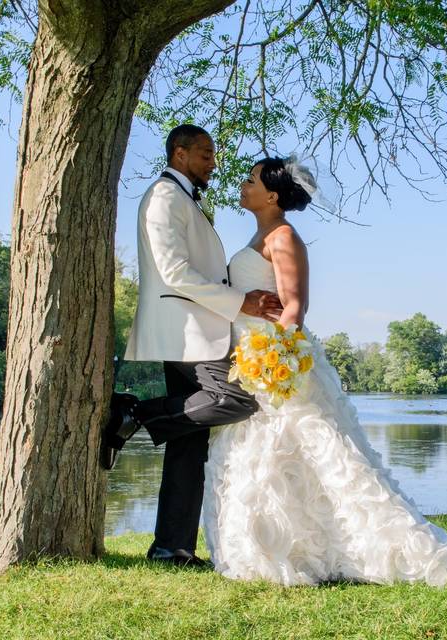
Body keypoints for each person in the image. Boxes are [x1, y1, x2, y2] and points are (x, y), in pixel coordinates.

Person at [201, 156, 447, 585]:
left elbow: (295, 306)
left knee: (306, 457)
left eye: (250, 181)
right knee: (266, 458)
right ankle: (280, 546)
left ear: (272, 195)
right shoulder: (260, 233)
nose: (243, 186)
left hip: (276, 364)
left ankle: (331, 548)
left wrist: (279, 361)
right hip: (251, 361)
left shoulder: (283, 236)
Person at [101, 124, 282, 567]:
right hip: (184, 330)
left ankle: (171, 547)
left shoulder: (182, 199)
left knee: (189, 439)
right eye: (205, 154)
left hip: (197, 327)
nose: (212, 163)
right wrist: (241, 301)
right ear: (179, 154)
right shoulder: (164, 197)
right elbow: (175, 273)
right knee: (236, 397)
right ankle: (133, 414)